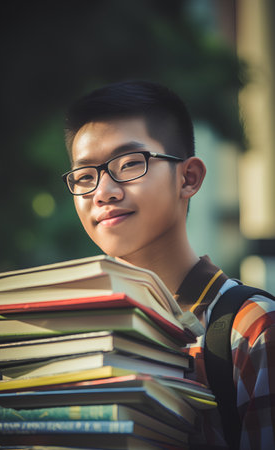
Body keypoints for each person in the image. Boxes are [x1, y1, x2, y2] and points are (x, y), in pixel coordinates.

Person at [62, 80, 275, 449]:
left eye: (129, 164)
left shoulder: (252, 330)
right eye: (84, 176)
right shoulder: (71, 333)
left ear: (188, 178)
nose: (102, 192)